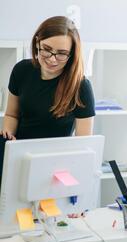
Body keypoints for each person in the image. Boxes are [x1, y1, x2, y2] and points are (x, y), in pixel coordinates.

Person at [0, 16, 95, 189]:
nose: (52, 59)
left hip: (55, 164)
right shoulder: (22, 70)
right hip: (18, 154)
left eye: (61, 54)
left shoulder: (80, 86)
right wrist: (8, 134)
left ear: (72, 54)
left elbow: (84, 146)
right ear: (37, 42)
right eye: (47, 50)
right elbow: (12, 114)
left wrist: (77, 189)